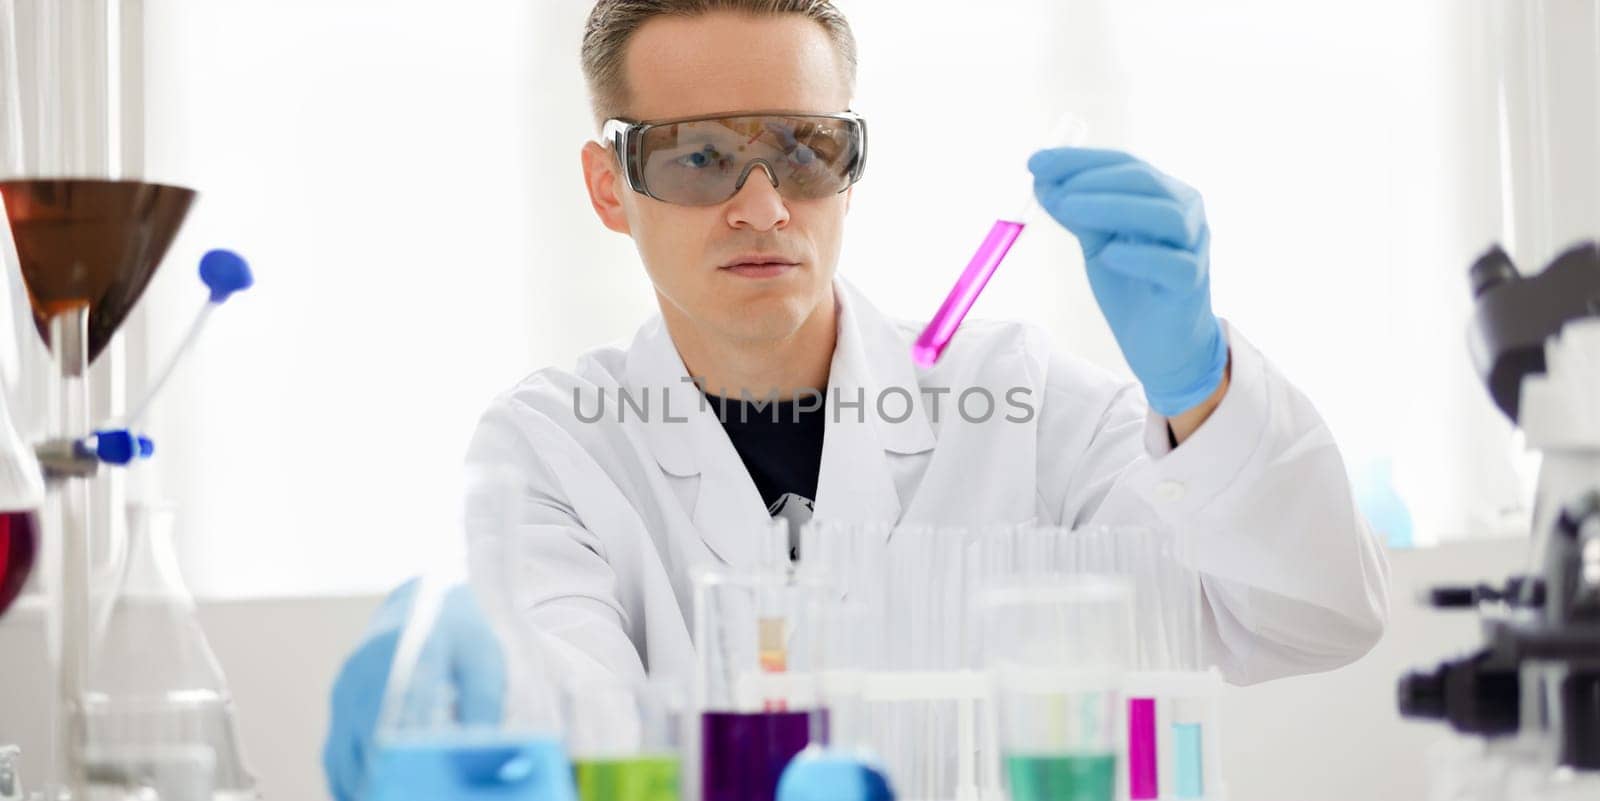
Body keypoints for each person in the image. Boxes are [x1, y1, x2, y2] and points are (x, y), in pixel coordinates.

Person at [324, 2, 1391, 798]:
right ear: (611, 187)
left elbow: (1312, 616)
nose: (759, 205)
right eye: (699, 158)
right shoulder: (554, 448)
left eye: (803, 148)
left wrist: (1198, 385)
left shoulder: (1016, 396)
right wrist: (472, 698)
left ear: (851, 160)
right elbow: (562, 725)